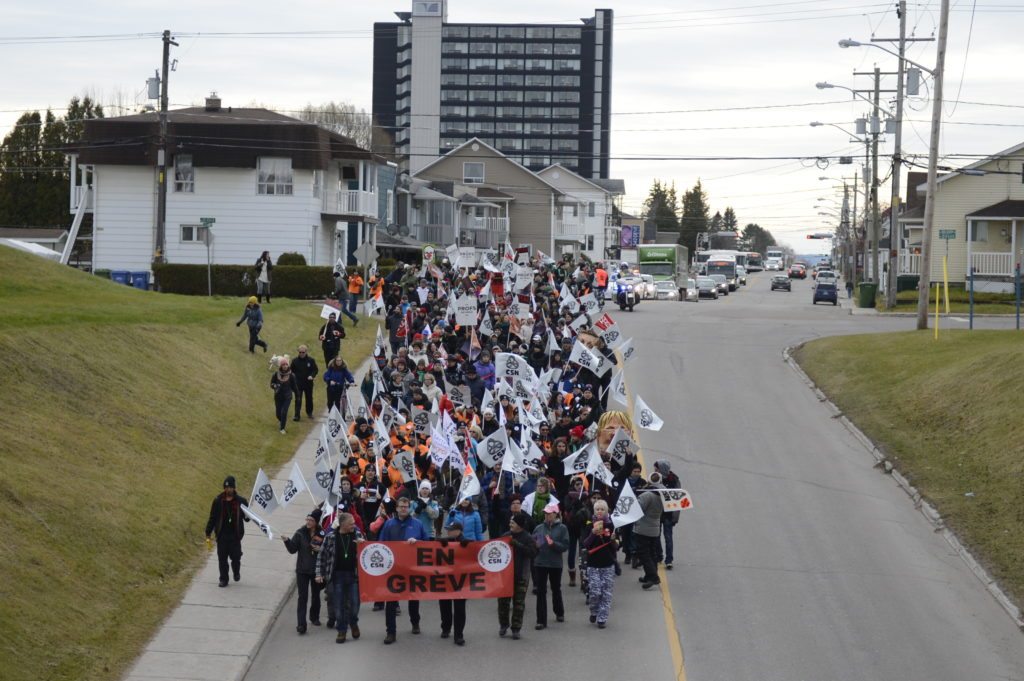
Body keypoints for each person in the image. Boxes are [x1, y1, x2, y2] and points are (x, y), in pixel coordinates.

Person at [379, 496, 429, 644]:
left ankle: (415, 622)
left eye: (406, 506)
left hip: (412, 568)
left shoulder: (418, 524)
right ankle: (391, 632)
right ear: (396, 508)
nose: (403, 509)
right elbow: (381, 544)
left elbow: (427, 544)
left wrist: (418, 542)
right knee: (391, 601)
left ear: (409, 508)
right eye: (401, 506)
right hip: (394, 569)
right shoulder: (388, 524)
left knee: (413, 599)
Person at [316, 512, 364, 644]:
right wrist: (319, 574)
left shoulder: (358, 535)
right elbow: (322, 556)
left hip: (353, 576)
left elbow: (367, 554)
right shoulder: (331, 537)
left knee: (355, 604)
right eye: (351, 523)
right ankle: (341, 630)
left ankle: (353, 622)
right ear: (342, 524)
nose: (354, 525)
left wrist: (363, 545)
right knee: (338, 605)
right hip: (337, 576)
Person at [283, 509, 324, 634]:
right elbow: (292, 549)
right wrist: (287, 541)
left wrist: (320, 549)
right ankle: (301, 624)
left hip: (316, 570)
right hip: (302, 570)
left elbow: (328, 549)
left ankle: (314, 617)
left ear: (316, 522)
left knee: (316, 595)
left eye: (311, 520)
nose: (308, 522)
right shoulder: (300, 533)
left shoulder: (322, 533)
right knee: (302, 597)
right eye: (307, 519)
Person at [204, 476, 249, 587]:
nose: (228, 490)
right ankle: (223, 579)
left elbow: (247, 519)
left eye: (230, 488)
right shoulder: (218, 501)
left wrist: (248, 514)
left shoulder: (241, 501)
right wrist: (208, 532)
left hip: (235, 535)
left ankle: (236, 571)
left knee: (236, 557)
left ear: (234, 488)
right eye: (226, 487)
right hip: (222, 535)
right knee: (222, 558)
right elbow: (213, 517)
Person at [532, 501, 569, 629]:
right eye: (545, 513)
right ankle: (541, 620)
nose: (547, 516)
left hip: (555, 564)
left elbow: (565, 546)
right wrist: (536, 546)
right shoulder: (539, 528)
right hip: (540, 562)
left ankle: (559, 612)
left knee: (556, 588)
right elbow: (533, 544)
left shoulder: (562, 528)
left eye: (549, 513)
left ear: (556, 514)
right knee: (541, 591)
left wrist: (553, 544)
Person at [581, 499, 617, 628]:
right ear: (594, 511)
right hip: (593, 565)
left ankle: (602, 618)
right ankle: (594, 610)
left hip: (608, 564)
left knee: (606, 593)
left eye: (602, 509)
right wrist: (592, 534)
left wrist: (613, 540)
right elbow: (584, 544)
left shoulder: (612, 525)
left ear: (607, 511)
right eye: (597, 509)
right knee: (595, 592)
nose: (600, 511)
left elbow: (617, 546)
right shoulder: (590, 525)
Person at [437, 521, 470, 645]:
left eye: (451, 529)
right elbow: (430, 544)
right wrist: (439, 542)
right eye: (448, 529)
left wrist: (469, 545)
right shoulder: (445, 541)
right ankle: (445, 628)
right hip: (445, 580)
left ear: (459, 531)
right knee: (444, 606)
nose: (448, 531)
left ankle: (459, 634)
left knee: (459, 609)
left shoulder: (466, 542)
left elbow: (476, 550)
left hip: (460, 582)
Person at [636, 472, 665, 590]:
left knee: (644, 554)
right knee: (652, 552)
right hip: (655, 527)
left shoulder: (646, 495)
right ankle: (649, 575)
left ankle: (653, 577)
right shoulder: (663, 494)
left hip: (643, 528)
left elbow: (637, 509)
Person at [654, 460, 680, 569]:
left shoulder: (674, 480)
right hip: (657, 512)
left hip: (669, 514)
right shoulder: (655, 478)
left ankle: (669, 559)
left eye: (657, 469)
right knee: (656, 535)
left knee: (668, 537)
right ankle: (659, 555)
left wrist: (675, 517)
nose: (655, 471)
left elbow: (678, 498)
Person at [291, 345, 319, 422]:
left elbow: (315, 370)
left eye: (303, 352)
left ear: (306, 352)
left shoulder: (311, 360)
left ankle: (309, 412)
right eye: (300, 352)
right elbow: (291, 371)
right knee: (298, 399)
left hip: (308, 383)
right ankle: (297, 415)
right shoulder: (295, 361)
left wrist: (312, 376)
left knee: (309, 398)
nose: (301, 354)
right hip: (298, 384)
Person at [271, 356, 297, 434]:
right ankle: (282, 420)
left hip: (287, 396)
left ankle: (282, 428)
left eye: (286, 365)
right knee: (278, 413)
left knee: (284, 412)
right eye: (283, 365)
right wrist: (275, 386)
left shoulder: (291, 375)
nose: (285, 366)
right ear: (281, 366)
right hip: (278, 396)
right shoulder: (276, 374)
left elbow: (294, 387)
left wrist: (298, 396)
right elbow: (271, 384)